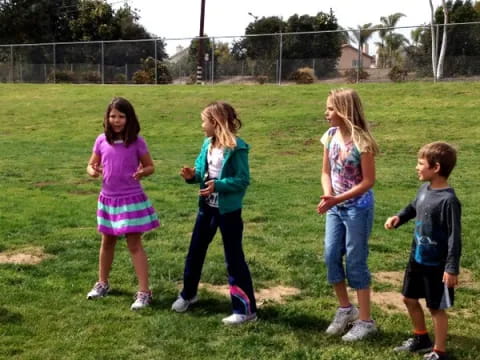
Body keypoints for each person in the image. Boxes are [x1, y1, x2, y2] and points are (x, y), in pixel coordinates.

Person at [171, 101, 257, 325]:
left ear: (216, 122)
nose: (202, 126)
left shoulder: (237, 147)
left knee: (234, 259)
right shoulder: (207, 144)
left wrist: (218, 185)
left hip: (229, 212)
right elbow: (201, 172)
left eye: (204, 121)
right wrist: (192, 175)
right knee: (195, 252)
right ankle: (188, 295)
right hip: (206, 209)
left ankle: (245, 310)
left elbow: (242, 180)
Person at [385, 142, 461, 360]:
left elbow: (454, 237)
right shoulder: (424, 189)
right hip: (417, 259)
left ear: (435, 168)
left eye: (420, 163)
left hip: (437, 265)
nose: (416, 167)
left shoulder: (449, 201)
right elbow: (413, 207)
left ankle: (439, 351)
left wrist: (451, 267)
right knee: (409, 299)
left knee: (436, 308)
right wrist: (399, 217)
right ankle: (421, 339)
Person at [86, 97, 160, 310]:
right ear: (107, 118)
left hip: (130, 200)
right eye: (112, 116)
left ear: (129, 119)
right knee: (107, 242)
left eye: (121, 116)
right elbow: (91, 164)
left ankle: (144, 292)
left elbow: (150, 166)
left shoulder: (137, 142)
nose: (116, 120)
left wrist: (142, 172)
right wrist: (93, 171)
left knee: (134, 245)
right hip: (108, 199)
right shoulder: (101, 140)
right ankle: (102, 283)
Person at [317, 88, 379, 341]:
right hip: (336, 207)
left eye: (331, 109)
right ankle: (346, 309)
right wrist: (328, 195)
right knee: (331, 256)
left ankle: (366, 321)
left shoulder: (362, 141)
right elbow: (325, 171)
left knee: (355, 260)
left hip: (358, 209)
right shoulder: (330, 136)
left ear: (344, 111)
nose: (326, 113)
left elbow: (368, 181)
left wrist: (337, 199)